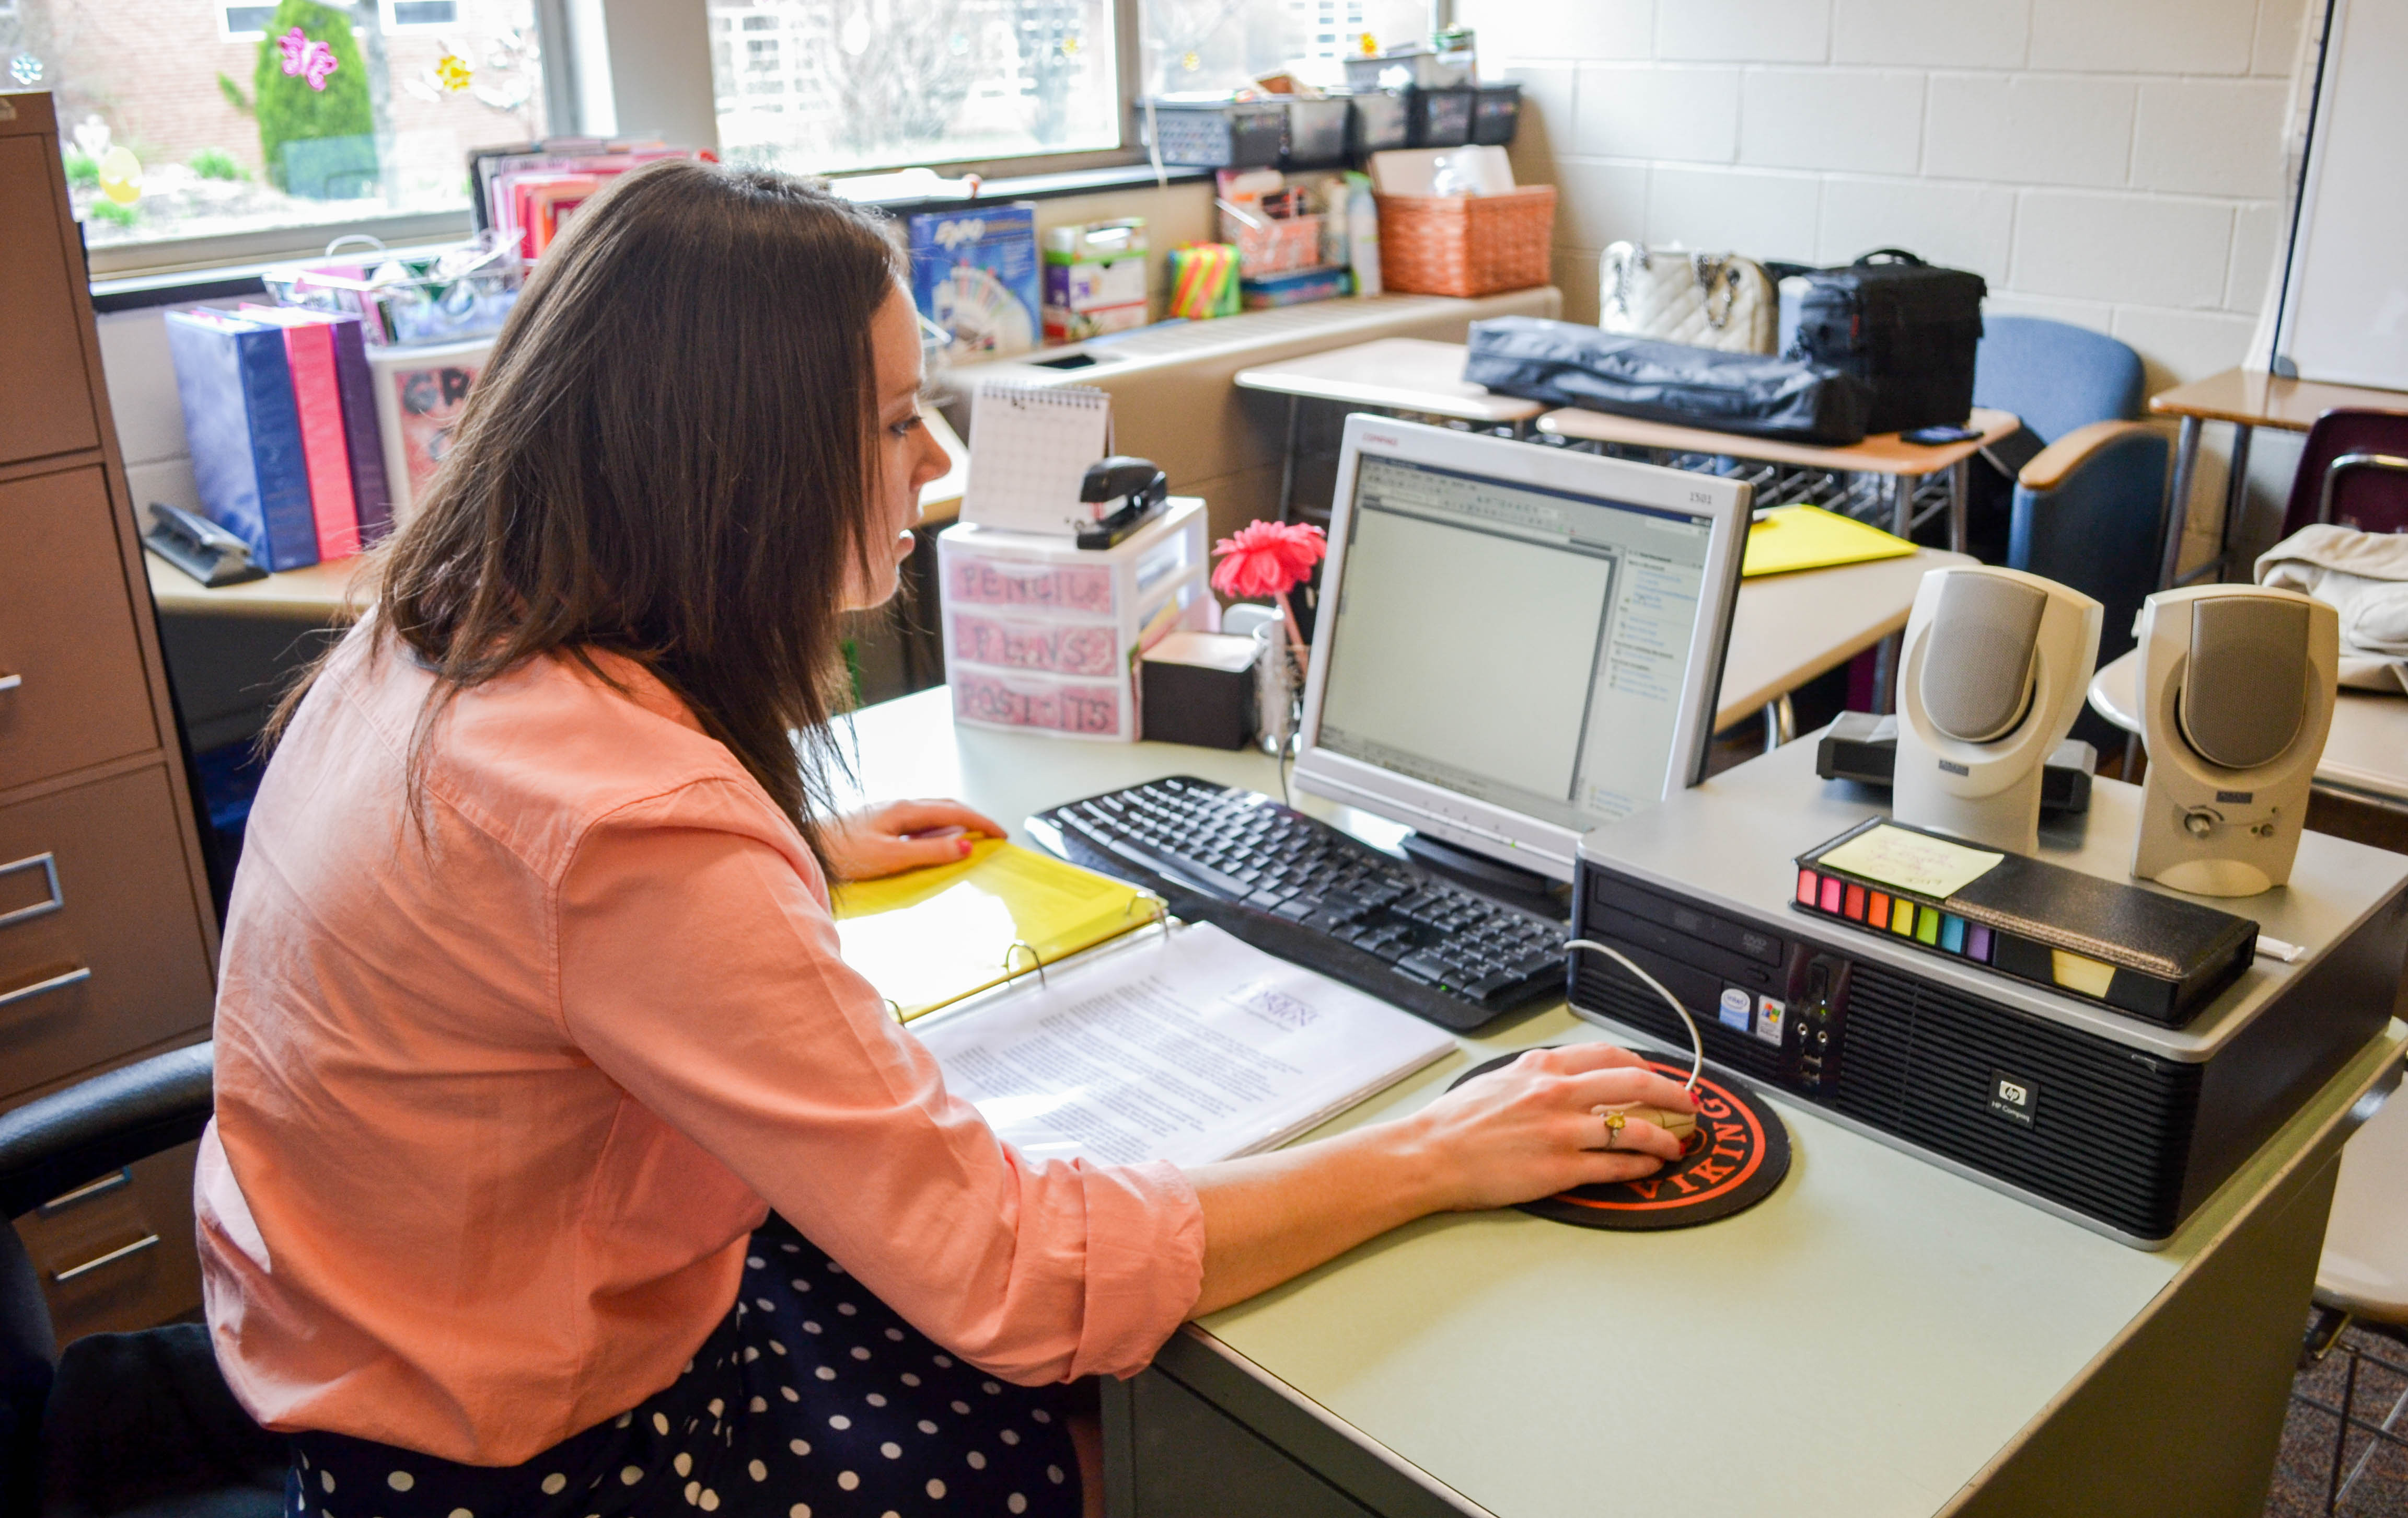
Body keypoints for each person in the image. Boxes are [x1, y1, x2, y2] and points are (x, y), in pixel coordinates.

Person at [200, 160, 1696, 1518]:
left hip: (386, 1343)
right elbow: (1023, 1279)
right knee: (1108, 1415)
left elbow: (524, 908)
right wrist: (1434, 1150)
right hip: (542, 1463)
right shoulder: (630, 835)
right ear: (731, 469)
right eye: (898, 417)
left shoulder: (445, 637)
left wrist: (795, 849)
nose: (938, 460)